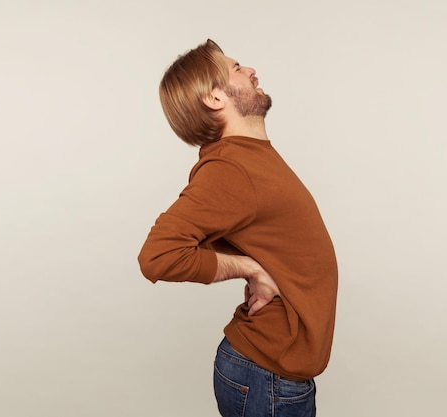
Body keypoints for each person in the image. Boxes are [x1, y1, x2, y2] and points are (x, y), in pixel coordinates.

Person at [138, 39, 338, 417]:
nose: (251, 71)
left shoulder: (247, 157)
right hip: (267, 378)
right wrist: (250, 268)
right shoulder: (231, 168)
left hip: (271, 375)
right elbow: (158, 257)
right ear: (215, 98)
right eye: (237, 68)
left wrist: (248, 259)